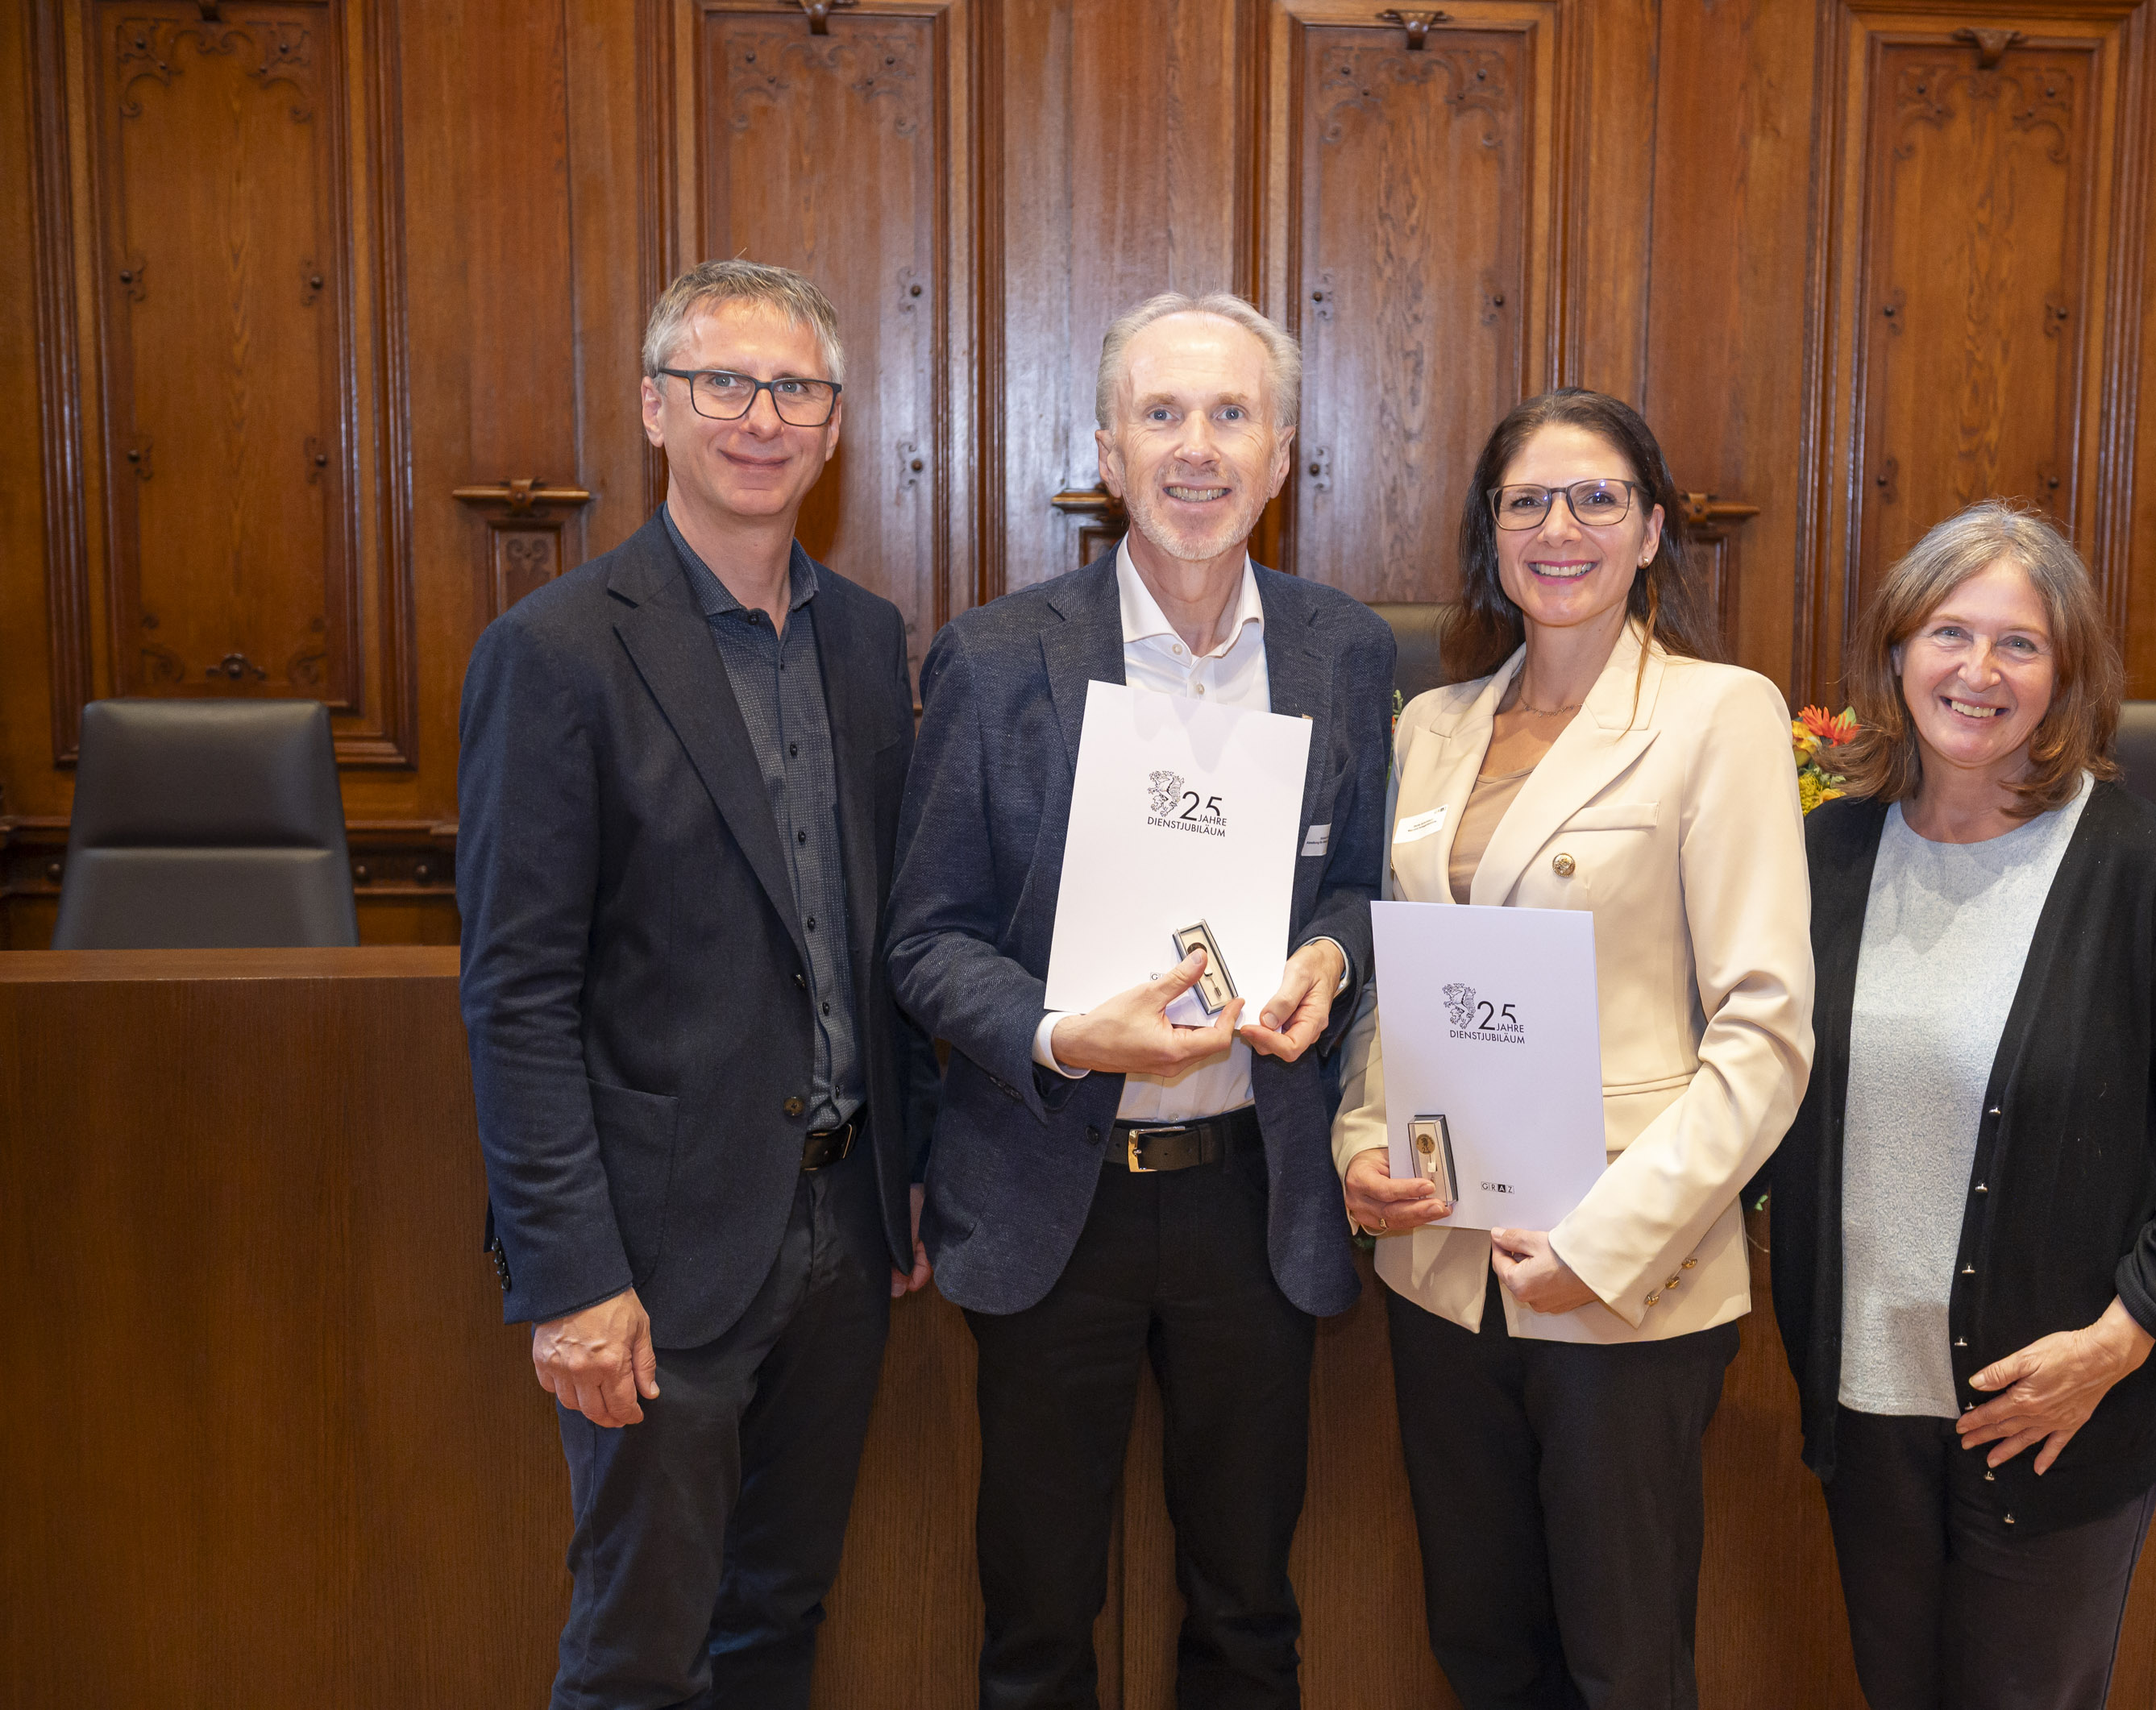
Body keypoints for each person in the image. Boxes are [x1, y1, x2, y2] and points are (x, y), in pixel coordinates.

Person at [886, 292, 1394, 1710]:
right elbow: (924, 937)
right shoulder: (993, 659)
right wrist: (1058, 1033)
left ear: (1283, 451)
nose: (1195, 448)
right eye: (1160, 414)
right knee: (1038, 1621)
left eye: (1230, 414)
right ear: (1106, 448)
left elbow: (1361, 886)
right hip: (1059, 1190)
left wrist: (1333, 957)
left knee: (1248, 1611)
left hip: (1256, 1191)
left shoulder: (1343, 652)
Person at [457, 259, 939, 1709]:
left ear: (835, 424)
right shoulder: (552, 651)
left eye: (794, 387)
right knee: (638, 1650)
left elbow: (880, 932)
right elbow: (517, 996)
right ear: (657, 409)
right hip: (654, 1259)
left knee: (777, 1621)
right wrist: (574, 1280)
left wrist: (905, 1170)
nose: (760, 416)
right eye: (723, 383)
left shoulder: (865, 641)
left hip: (843, 1235)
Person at [1757, 500, 2156, 1710]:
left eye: (2019, 643)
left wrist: (2122, 1336)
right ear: (1896, 653)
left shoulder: (2140, 868)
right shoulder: (1826, 853)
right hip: (1862, 1397)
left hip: (2053, 1409)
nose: (1977, 671)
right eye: (1949, 631)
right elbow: (1750, 1084)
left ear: (2068, 676)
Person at [1332, 388, 1816, 1708]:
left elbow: (1765, 1032)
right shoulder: (1428, 728)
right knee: (1481, 1647)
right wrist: (1359, 1150)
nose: (1560, 527)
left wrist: (1605, 1240)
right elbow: (1394, 979)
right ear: (1489, 531)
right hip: (1439, 1267)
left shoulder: (1719, 715)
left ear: (1653, 529)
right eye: (1525, 500)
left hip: (1620, 1280)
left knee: (1620, 1662)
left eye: (1596, 497)